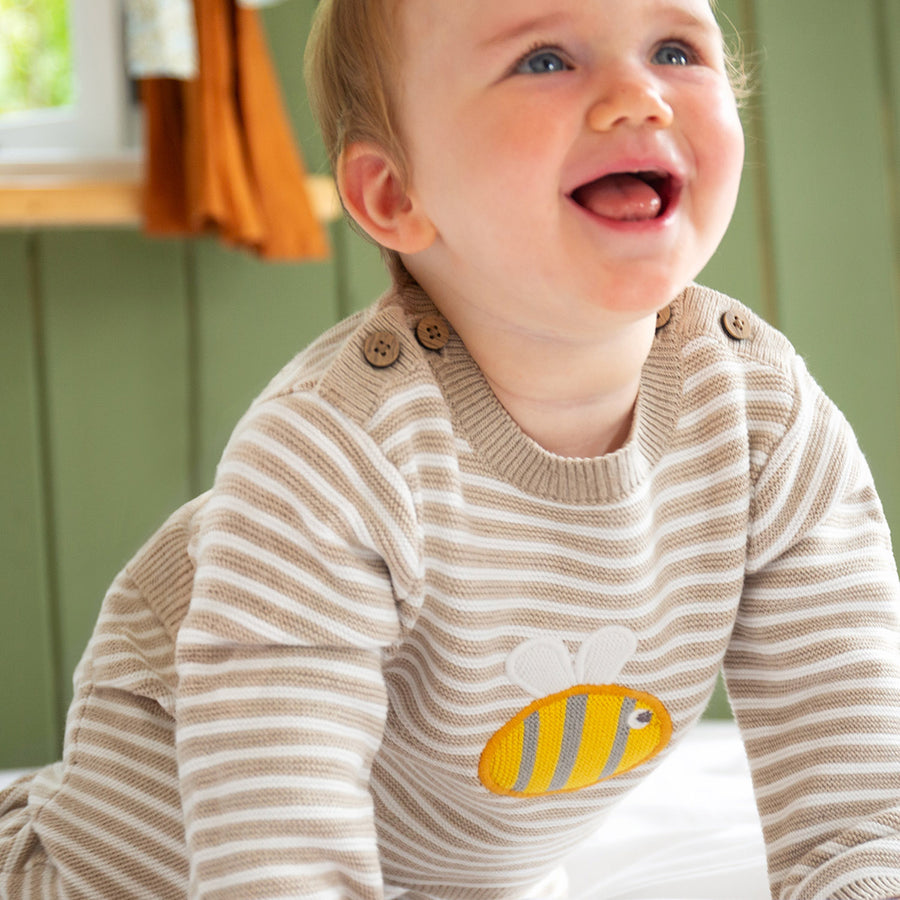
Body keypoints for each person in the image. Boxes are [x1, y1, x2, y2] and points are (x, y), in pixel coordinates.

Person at [2, 0, 899, 898]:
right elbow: (279, 859)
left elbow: (855, 801)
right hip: (175, 824)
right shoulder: (332, 457)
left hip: (446, 854)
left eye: (674, 49)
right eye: (546, 60)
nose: (639, 97)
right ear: (396, 195)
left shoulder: (765, 422)